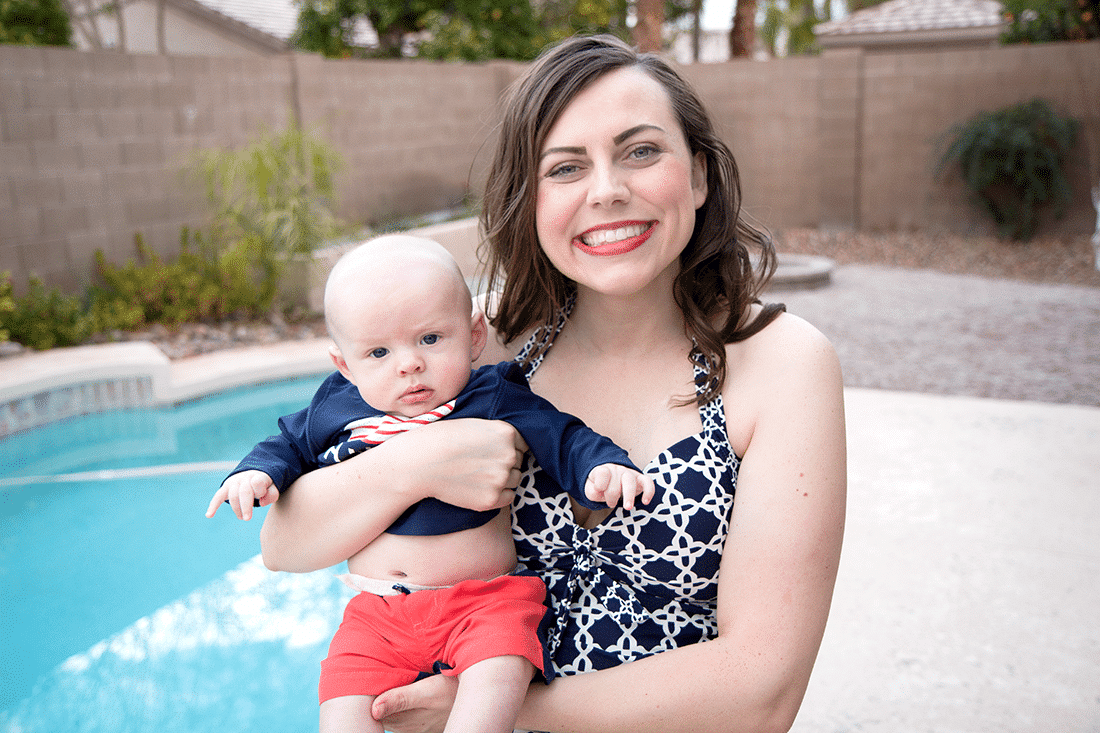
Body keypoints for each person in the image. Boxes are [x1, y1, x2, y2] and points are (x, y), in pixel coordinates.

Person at [260, 34, 847, 733]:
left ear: (697, 176)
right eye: (565, 167)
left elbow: (761, 690)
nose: (607, 190)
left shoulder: (779, 363)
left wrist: (503, 707)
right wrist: (418, 462)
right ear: (530, 200)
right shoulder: (488, 352)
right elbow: (285, 546)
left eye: (640, 151)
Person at [207, 233, 654, 733]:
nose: (409, 363)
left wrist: (601, 467)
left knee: (497, 678)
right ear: (343, 365)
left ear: (474, 335)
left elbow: (561, 434)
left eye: (430, 339)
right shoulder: (335, 407)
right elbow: (286, 445)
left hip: (484, 601)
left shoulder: (492, 394)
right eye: (377, 352)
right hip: (377, 612)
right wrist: (254, 474)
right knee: (342, 708)